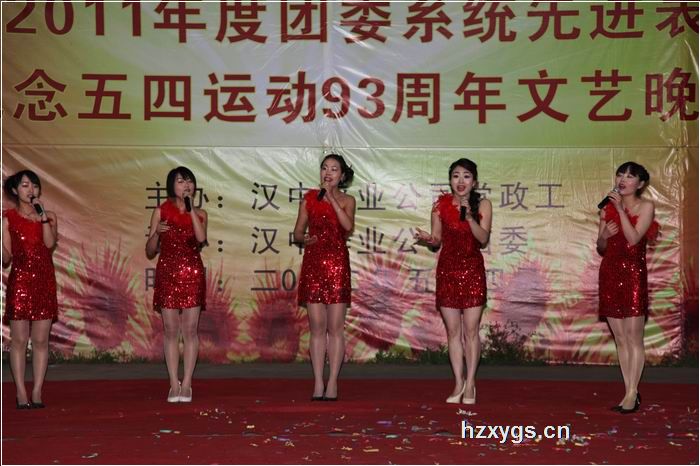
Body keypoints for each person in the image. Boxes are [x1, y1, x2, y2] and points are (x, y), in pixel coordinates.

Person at [414, 158, 492, 404]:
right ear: (450, 180)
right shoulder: (440, 206)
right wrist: (429, 239)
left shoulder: (483, 204)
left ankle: (471, 383)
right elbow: (437, 240)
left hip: (472, 271)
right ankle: (458, 382)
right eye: (456, 175)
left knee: (471, 330)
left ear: (474, 182)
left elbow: (483, 238)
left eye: (466, 176)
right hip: (447, 271)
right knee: (453, 331)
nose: (460, 181)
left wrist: (469, 218)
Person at [597, 161, 658, 414]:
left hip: (633, 273)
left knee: (634, 337)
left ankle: (633, 392)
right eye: (620, 174)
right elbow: (600, 247)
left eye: (630, 176)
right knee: (620, 338)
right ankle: (627, 391)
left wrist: (621, 210)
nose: (623, 180)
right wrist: (604, 236)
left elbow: (633, 239)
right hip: (610, 272)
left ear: (640, 184)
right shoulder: (607, 208)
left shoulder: (646, 206)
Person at [293, 154, 355, 401]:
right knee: (317, 327)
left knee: (335, 327)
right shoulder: (309, 199)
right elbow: (298, 232)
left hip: (337, 265)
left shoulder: (348, 200)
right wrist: (303, 238)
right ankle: (318, 381)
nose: (328, 173)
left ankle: (333, 382)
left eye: (334, 169)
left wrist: (330, 198)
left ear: (342, 176)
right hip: (314, 264)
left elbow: (347, 226)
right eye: (324, 168)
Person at [146, 166, 207, 403]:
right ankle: (173, 383)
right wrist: (156, 234)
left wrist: (190, 211)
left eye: (189, 181)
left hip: (192, 272)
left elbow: (201, 239)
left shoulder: (200, 213)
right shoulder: (160, 211)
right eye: (181, 181)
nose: (186, 185)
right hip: (168, 272)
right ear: (172, 186)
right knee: (171, 330)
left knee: (190, 330)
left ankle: (187, 383)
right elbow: (150, 250)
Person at [3, 170, 58, 409]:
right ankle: (20, 392)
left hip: (44, 282)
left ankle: (36, 391)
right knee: (19, 340)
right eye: (25, 185)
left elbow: (49, 244)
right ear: (15, 190)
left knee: (40, 340)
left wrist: (43, 216)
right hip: (20, 283)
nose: (31, 189)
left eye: (34, 185)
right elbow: (6, 259)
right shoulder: (8, 218)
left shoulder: (49, 216)